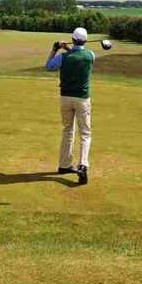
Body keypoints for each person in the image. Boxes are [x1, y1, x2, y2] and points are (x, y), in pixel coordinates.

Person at [45, 27, 95, 185]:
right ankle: (83, 166)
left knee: (68, 130)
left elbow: (49, 66)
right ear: (85, 41)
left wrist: (55, 48)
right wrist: (69, 47)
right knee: (85, 134)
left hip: (65, 98)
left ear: (72, 39)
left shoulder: (63, 57)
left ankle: (64, 165)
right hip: (82, 99)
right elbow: (78, 52)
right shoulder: (90, 56)